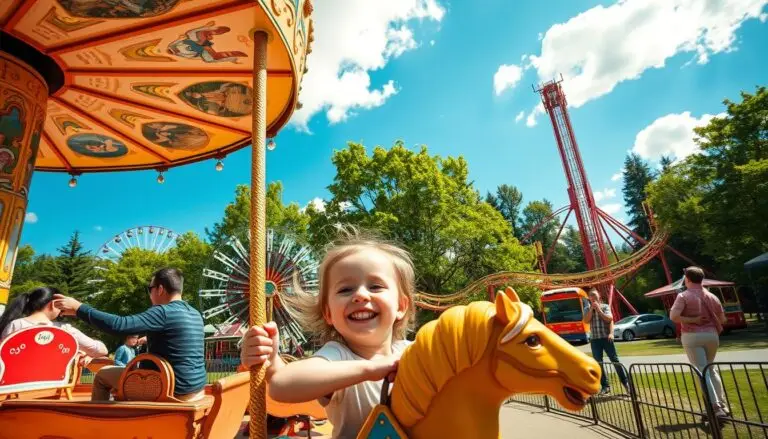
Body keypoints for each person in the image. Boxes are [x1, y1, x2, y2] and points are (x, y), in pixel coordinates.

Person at [240, 227, 415, 438]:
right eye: (345, 290)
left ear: (401, 306)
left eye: (376, 286)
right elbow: (281, 386)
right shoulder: (338, 356)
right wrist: (370, 369)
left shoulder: (413, 352)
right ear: (328, 313)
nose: (360, 295)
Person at [54, 267, 207, 402]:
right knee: (124, 377)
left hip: (168, 388)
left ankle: (99, 427)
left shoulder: (163, 311)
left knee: (102, 376)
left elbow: (120, 325)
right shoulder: (194, 313)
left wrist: (79, 307)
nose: (149, 294)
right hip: (195, 387)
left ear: (160, 289)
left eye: (149, 289)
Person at [669, 266, 729, 418]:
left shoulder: (683, 296)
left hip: (692, 335)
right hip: (712, 335)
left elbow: (674, 317)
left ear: (687, 279)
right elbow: (722, 319)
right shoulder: (712, 296)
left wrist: (693, 319)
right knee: (711, 368)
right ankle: (722, 404)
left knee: (702, 370)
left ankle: (715, 407)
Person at [0, 286, 108, 363]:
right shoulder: (66, 330)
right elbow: (102, 350)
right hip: (52, 386)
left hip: (12, 387)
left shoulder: (15, 325)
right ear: (54, 304)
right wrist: (83, 351)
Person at [583, 287, 629, 395]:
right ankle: (605, 386)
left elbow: (609, 319)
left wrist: (598, 310)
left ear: (598, 295)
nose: (593, 297)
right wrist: (591, 309)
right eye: (591, 295)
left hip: (606, 338)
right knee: (599, 363)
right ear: (589, 298)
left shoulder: (605, 307)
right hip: (595, 340)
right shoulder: (587, 308)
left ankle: (626, 383)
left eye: (594, 295)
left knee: (615, 360)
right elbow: (586, 320)